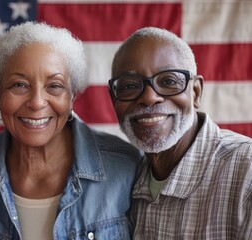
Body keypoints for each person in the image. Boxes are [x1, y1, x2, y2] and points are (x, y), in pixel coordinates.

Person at [0, 21, 142, 240]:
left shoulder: (125, 166)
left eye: (54, 86)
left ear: (72, 96)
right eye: (19, 85)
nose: (37, 103)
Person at [107, 26, 252, 239]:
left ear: (195, 92)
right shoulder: (122, 178)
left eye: (168, 81)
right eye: (129, 85)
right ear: (114, 99)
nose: (149, 97)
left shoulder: (246, 172)